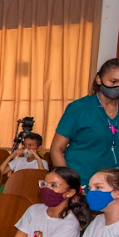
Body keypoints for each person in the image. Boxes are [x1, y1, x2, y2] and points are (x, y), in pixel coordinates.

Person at [50, 58, 119, 186]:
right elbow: (57, 149)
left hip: (114, 186)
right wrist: (69, 183)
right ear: (99, 79)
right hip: (83, 182)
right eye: (113, 81)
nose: (116, 87)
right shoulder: (78, 108)